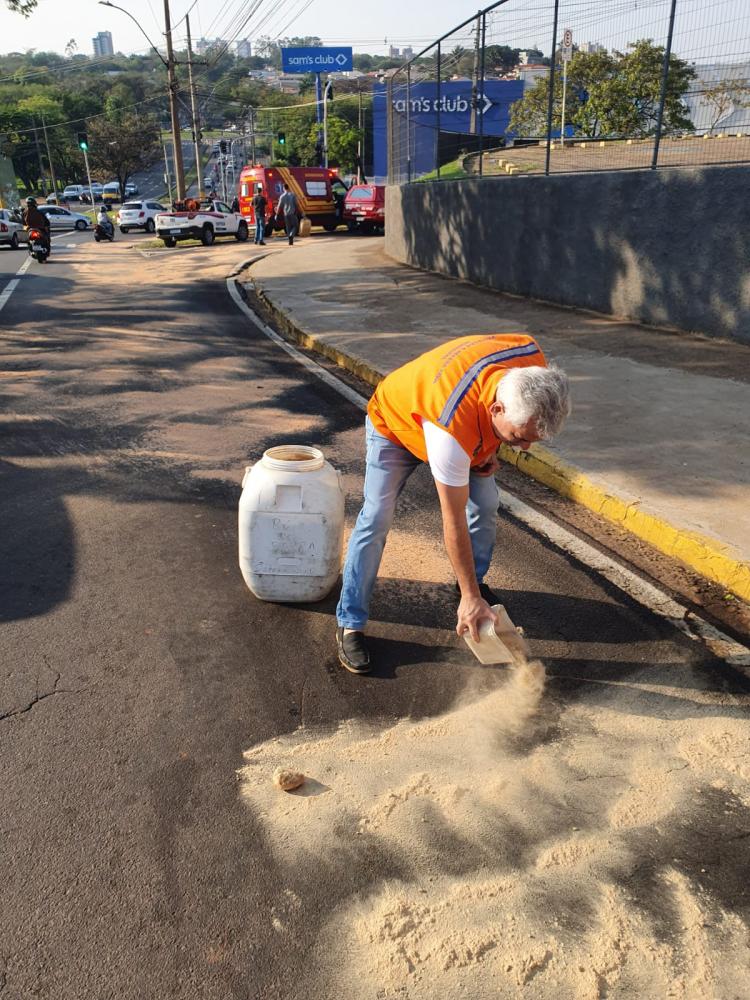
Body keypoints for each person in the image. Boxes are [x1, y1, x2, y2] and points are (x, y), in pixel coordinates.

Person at [335, 333, 571, 674]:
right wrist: (481, 447)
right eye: (519, 438)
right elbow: (453, 520)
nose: (524, 449)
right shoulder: (451, 432)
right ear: (497, 409)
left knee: (487, 503)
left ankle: (467, 585)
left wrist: (491, 447)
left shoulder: (531, 360)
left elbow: (509, 422)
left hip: (461, 424)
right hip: (396, 426)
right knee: (377, 517)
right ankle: (350, 622)